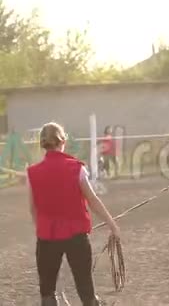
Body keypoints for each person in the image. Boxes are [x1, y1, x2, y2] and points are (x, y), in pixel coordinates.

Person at [27, 122, 121, 306]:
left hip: (46, 237)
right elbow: (92, 200)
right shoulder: (76, 168)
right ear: (63, 141)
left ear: (43, 144)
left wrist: (43, 229)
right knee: (86, 292)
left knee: (47, 293)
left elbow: (33, 209)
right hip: (76, 237)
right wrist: (112, 224)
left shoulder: (32, 173)